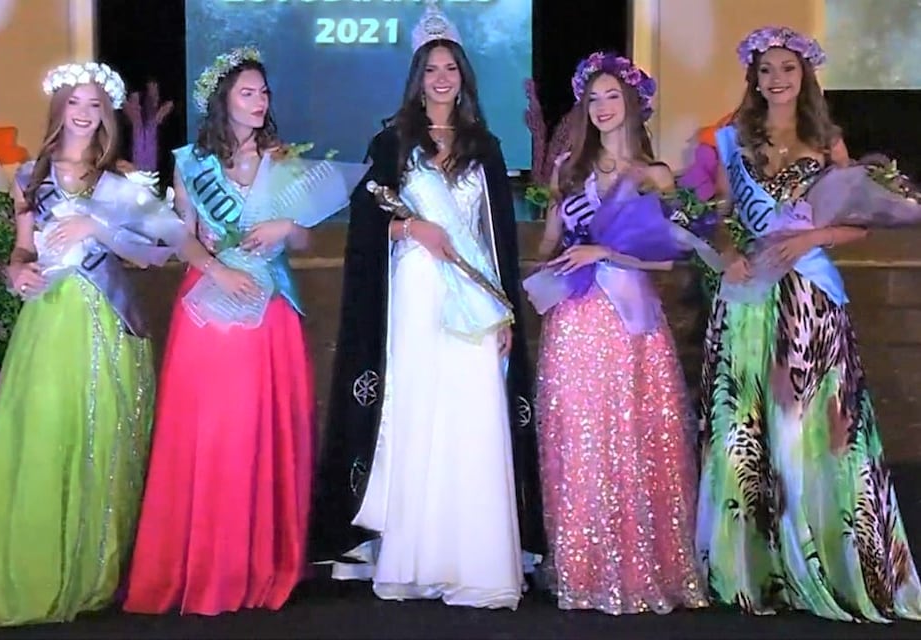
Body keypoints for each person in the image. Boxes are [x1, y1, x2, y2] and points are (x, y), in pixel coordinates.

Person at [308, 2, 545, 611]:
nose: (441, 77)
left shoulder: (486, 148)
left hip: (472, 297)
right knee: (418, 413)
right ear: (418, 76)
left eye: (451, 68)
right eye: (431, 68)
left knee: (472, 415)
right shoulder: (391, 143)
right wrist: (412, 230)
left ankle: (478, 562)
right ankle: (413, 559)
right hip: (413, 294)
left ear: (463, 76)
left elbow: (497, 240)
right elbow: (366, 227)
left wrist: (504, 312)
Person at [0, 61, 181, 626]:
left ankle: (89, 570)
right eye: (75, 101)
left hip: (106, 321)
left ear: (105, 115)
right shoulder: (31, 176)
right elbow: (23, 253)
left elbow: (159, 250)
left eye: (94, 104)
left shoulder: (118, 178)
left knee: (99, 441)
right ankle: (36, 563)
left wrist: (102, 230)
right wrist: (15, 273)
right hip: (49, 324)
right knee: (44, 438)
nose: (83, 112)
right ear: (60, 108)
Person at [696, 26, 921, 622]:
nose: (776, 80)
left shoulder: (829, 143)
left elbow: (859, 224)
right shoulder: (731, 143)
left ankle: (821, 562)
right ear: (754, 79)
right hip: (749, 300)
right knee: (748, 431)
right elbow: (717, 217)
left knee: (810, 434)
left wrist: (811, 238)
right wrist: (730, 249)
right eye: (766, 71)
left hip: (810, 302)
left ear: (805, 77)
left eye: (787, 70)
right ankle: (752, 572)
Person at [123, 47, 321, 615]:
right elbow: (181, 236)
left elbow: (303, 239)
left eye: (263, 93)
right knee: (211, 435)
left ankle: (259, 563)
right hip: (209, 306)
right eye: (247, 93)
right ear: (222, 101)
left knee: (262, 432)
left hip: (271, 310)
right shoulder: (191, 164)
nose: (259, 102)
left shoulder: (283, 159)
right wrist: (217, 267)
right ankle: (205, 563)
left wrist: (288, 224)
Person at [530, 52, 708, 615]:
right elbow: (546, 247)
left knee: (636, 441)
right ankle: (584, 568)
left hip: (632, 323)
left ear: (633, 103)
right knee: (579, 442)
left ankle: (638, 568)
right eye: (594, 99)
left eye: (613, 97)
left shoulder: (656, 177)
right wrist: (553, 254)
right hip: (577, 323)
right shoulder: (568, 169)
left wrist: (608, 250)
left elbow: (674, 261)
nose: (603, 108)